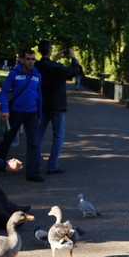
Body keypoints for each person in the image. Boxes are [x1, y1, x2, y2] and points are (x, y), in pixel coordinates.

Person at [0, 47, 44, 182]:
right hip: (16, 112)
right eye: (28, 59)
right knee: (7, 140)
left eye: (33, 59)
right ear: (22, 60)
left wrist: (39, 115)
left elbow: (39, 96)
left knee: (34, 143)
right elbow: (4, 93)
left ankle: (33, 173)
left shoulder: (37, 75)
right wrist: (5, 109)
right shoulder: (14, 74)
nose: (30, 62)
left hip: (32, 113)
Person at [35, 41, 82, 174]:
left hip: (42, 104)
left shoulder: (37, 66)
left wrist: (54, 59)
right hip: (57, 105)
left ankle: (35, 163)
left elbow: (47, 65)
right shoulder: (57, 68)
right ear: (49, 50)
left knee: (38, 135)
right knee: (58, 136)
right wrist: (73, 57)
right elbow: (74, 71)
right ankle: (52, 165)